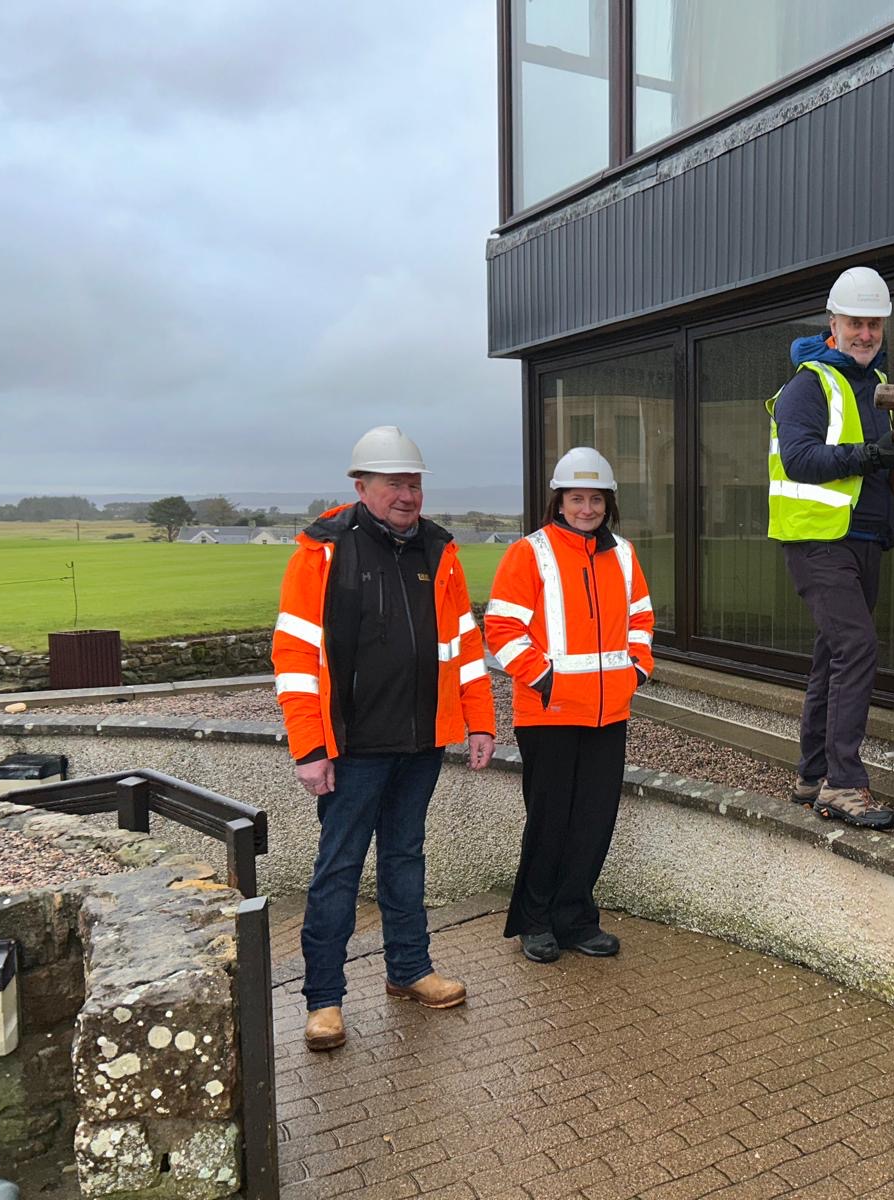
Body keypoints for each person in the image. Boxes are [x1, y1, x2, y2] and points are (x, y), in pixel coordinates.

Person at [272, 425, 497, 1052]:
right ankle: (324, 1001)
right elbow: (294, 656)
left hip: (422, 742)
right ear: (361, 485)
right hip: (353, 749)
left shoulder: (438, 551)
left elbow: (464, 649)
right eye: (395, 482)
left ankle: (410, 970)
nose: (407, 494)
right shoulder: (322, 553)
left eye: (415, 482)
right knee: (338, 869)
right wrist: (309, 748)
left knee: (405, 858)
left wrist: (479, 721)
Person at [483, 447, 655, 964]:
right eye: (576, 498)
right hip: (550, 713)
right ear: (559, 501)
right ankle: (534, 922)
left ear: (608, 503)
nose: (586, 508)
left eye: (595, 498)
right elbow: (502, 629)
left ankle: (576, 919)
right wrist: (548, 682)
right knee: (550, 822)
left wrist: (636, 672)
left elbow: (641, 621)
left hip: (609, 713)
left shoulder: (623, 553)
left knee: (594, 822)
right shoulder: (528, 552)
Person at [765, 265, 894, 831]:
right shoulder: (810, 383)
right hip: (817, 542)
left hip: (863, 541)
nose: (866, 333)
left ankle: (810, 773)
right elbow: (801, 458)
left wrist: (887, 508)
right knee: (857, 648)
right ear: (834, 323)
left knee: (833, 656)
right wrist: (869, 455)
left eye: (874, 324)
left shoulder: (875, 386)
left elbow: (868, 469)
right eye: (856, 322)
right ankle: (844, 785)